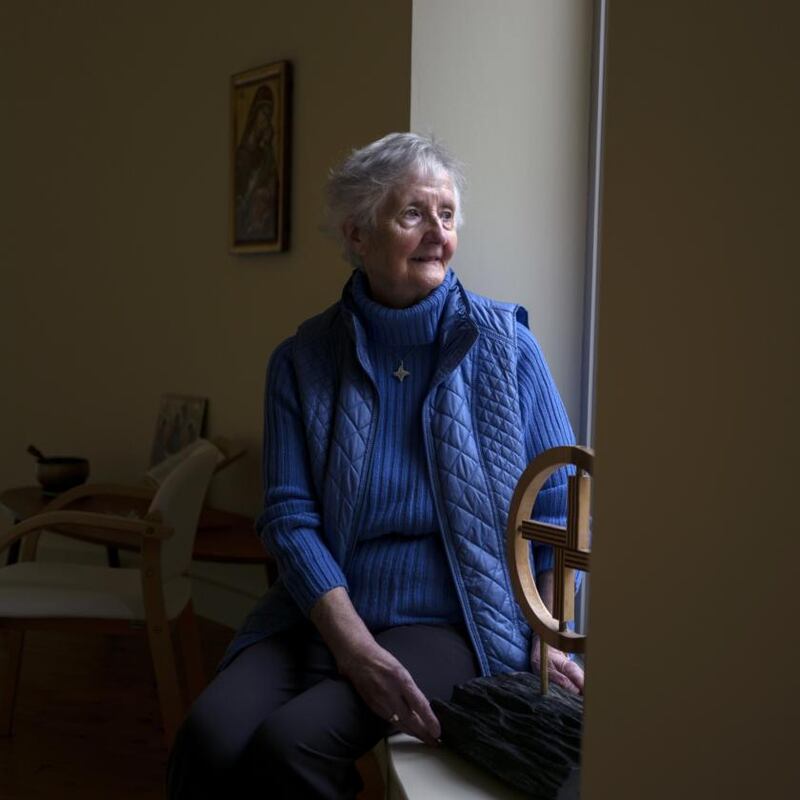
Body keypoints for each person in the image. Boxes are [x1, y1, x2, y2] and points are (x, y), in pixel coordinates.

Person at [167, 132, 583, 799]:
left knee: (291, 745)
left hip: (453, 618)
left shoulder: (508, 347)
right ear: (357, 234)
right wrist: (352, 648)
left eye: (446, 215)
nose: (437, 233)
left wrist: (550, 637)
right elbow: (289, 518)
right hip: (322, 611)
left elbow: (563, 506)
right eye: (413, 214)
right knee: (207, 738)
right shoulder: (302, 360)